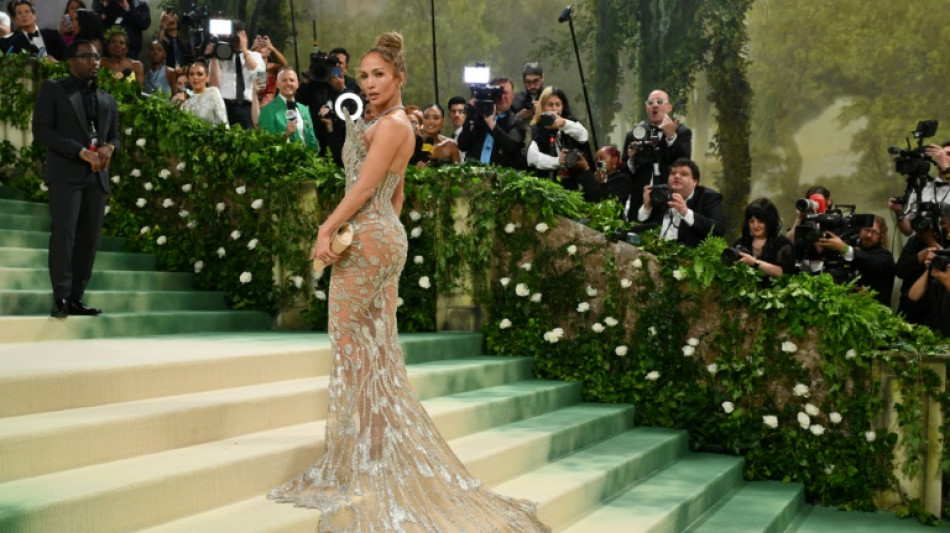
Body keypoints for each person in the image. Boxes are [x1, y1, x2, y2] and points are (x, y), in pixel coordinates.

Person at [267, 31, 550, 533]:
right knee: (373, 350)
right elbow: (396, 197)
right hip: (381, 238)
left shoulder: (396, 125)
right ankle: (374, 452)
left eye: (380, 75)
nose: (370, 83)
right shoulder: (382, 121)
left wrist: (326, 227)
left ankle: (368, 455)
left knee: (352, 345)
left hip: (367, 240)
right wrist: (388, 261)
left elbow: (367, 187)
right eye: (365, 75)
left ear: (400, 78)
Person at [32, 39, 119, 318]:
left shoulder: (108, 98)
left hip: (97, 178)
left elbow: (115, 135)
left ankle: (76, 298)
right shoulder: (54, 89)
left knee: (88, 240)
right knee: (64, 236)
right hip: (66, 175)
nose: (94, 62)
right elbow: (42, 130)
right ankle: (61, 298)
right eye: (86, 57)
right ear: (71, 62)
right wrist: (79, 151)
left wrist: (110, 147)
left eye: (96, 57)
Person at [621, 89, 692, 217]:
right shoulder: (634, 134)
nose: (654, 105)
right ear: (647, 108)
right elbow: (624, 173)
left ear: (669, 107)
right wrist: (632, 160)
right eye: (650, 102)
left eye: (659, 102)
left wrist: (671, 136)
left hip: (669, 201)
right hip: (639, 201)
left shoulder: (682, 132)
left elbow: (684, 163)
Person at [638, 157, 725, 247]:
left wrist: (686, 212)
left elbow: (718, 229)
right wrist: (647, 207)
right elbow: (640, 226)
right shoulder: (661, 194)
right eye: (673, 173)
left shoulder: (708, 198)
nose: (676, 176)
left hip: (688, 258)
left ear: (695, 181)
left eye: (684, 174)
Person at [297, 45, 360, 167]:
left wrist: (342, 89)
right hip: (317, 138)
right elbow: (299, 101)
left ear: (346, 67)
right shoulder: (316, 81)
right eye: (331, 62)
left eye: (339, 63)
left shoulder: (350, 83)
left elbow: (354, 109)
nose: (335, 66)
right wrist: (308, 77)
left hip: (341, 141)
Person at [817, 214, 895, 306]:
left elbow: (871, 262)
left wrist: (844, 249)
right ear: (859, 230)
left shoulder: (885, 256)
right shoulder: (854, 250)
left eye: (874, 232)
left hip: (875, 314)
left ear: (881, 236)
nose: (869, 235)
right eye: (867, 230)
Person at [457, 76, 527, 169]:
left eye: (505, 93)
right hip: (474, 177)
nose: (502, 97)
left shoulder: (516, 123)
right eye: (498, 93)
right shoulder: (478, 118)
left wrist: (491, 123)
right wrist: (471, 117)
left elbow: (510, 147)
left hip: (501, 179)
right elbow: (463, 145)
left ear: (512, 96)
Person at [526, 86, 590, 182]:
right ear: (542, 107)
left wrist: (564, 124)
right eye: (550, 105)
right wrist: (557, 161)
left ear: (563, 106)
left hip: (571, 183)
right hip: (545, 184)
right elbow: (533, 157)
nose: (554, 108)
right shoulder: (535, 129)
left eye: (558, 104)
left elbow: (583, 136)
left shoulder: (570, 123)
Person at [207, 20, 263, 130]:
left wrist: (245, 50)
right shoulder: (220, 57)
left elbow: (261, 81)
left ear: (244, 35)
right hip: (224, 106)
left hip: (247, 107)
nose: (234, 40)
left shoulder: (255, 56)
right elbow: (214, 87)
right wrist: (214, 57)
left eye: (236, 35)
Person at [890, 142, 950, 236]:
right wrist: (899, 213)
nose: (943, 157)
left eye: (949, 155)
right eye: (942, 154)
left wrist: (946, 168)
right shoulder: (923, 189)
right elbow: (908, 231)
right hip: (924, 247)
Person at [732, 198, 796, 278]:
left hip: (775, 289)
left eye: (760, 221)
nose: (755, 226)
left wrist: (754, 262)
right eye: (752, 221)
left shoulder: (783, 244)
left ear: (769, 221)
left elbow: (782, 273)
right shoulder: (741, 242)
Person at [258, 66, 318, 150]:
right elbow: (267, 144)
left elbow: (312, 139)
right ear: (277, 84)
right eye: (284, 80)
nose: (288, 83)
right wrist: (285, 135)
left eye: (292, 80)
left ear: (297, 84)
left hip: (307, 160)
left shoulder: (304, 109)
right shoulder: (267, 110)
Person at [1, 0, 67, 60]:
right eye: (19, 13)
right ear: (15, 20)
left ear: (34, 15)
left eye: (27, 12)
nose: (23, 15)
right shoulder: (10, 43)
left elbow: (68, 57)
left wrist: (56, 63)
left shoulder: (52, 35)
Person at [575, 144, 634, 210]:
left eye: (602, 158)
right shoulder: (595, 179)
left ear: (614, 160)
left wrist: (586, 169)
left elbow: (600, 199)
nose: (598, 162)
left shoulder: (622, 179)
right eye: (596, 160)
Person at [172, 59, 228, 127]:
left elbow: (223, 123)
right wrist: (177, 104)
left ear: (207, 78)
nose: (195, 77)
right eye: (191, 74)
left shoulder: (213, 92)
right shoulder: (185, 96)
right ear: (189, 78)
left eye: (200, 74)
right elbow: (177, 123)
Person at [413, 103, 460, 168]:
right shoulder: (413, 142)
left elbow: (459, 173)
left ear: (443, 121)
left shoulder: (450, 145)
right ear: (422, 120)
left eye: (436, 118)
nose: (431, 121)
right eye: (426, 117)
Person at [250, 34, 287, 107]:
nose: (260, 49)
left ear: (269, 52)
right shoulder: (249, 66)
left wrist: (272, 48)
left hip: (269, 107)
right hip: (252, 105)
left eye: (264, 47)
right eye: (258, 46)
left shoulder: (272, 68)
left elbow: (285, 65)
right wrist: (251, 50)